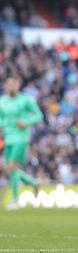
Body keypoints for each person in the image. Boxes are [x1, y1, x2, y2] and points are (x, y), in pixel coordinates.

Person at [0, 76, 43, 210]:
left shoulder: (26, 100)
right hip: (8, 138)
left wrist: (26, 122)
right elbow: (1, 119)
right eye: (9, 84)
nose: (11, 86)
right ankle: (34, 183)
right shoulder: (2, 101)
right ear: (5, 86)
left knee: (11, 167)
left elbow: (39, 115)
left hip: (21, 138)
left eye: (14, 83)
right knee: (10, 170)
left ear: (18, 85)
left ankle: (15, 200)